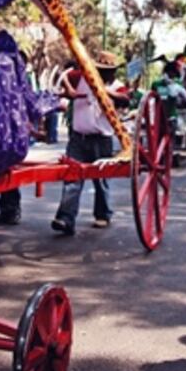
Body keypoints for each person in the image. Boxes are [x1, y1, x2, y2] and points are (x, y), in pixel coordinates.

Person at [51, 51, 129, 235]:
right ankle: (65, 218)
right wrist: (69, 90)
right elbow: (61, 74)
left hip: (102, 139)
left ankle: (103, 214)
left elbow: (125, 100)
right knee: (72, 178)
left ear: (113, 72)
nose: (102, 73)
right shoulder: (81, 78)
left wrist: (106, 92)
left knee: (101, 179)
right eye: (99, 69)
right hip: (78, 138)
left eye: (106, 71)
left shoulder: (118, 87)